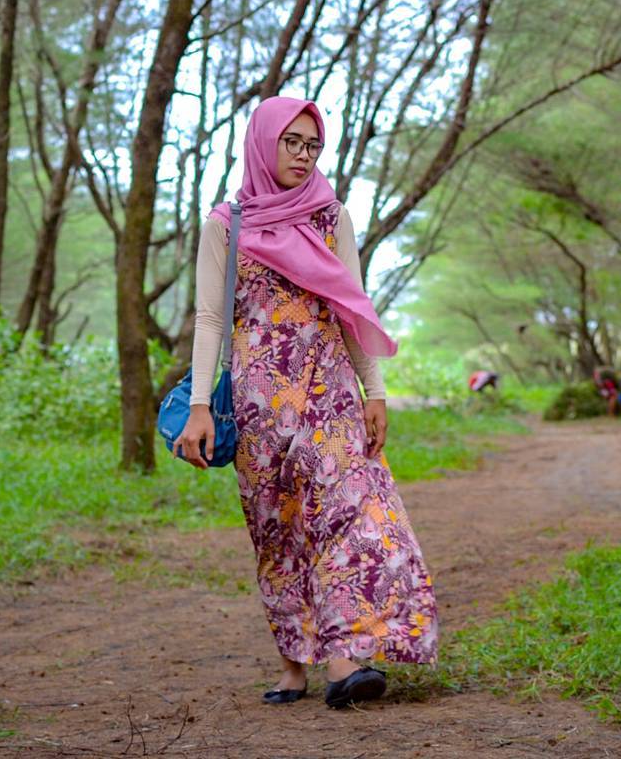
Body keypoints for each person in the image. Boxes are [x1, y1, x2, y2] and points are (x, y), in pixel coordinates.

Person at [172, 97, 438, 710]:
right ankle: (292, 663)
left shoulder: (329, 216)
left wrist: (376, 390)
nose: (302, 154)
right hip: (260, 407)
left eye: (312, 145)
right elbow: (211, 317)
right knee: (277, 528)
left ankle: (346, 663)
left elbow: (353, 305)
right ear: (264, 142)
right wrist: (201, 407)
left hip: (331, 397)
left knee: (348, 516)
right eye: (291, 142)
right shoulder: (227, 224)